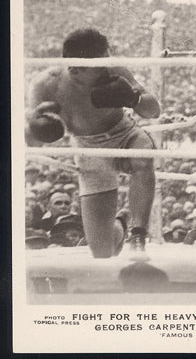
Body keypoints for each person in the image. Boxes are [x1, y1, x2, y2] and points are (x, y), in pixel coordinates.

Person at [26, 28, 160, 259]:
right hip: (88, 150)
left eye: (106, 58)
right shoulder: (47, 85)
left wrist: (132, 98)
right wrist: (39, 125)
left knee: (143, 155)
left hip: (125, 135)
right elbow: (30, 140)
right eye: (98, 66)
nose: (105, 67)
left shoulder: (115, 71)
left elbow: (154, 110)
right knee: (102, 251)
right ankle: (121, 222)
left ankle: (138, 236)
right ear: (75, 68)